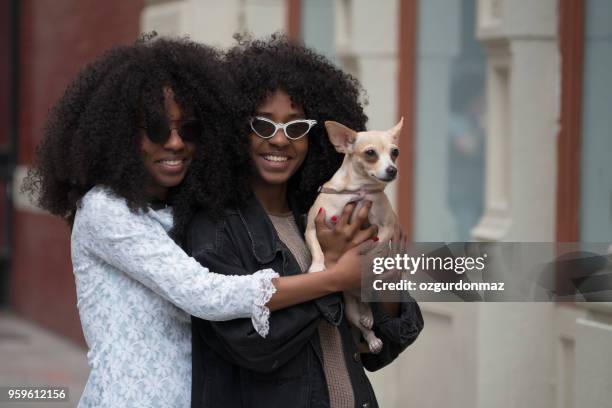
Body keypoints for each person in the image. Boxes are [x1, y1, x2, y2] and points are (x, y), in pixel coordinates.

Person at [23, 36, 370, 407]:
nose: (175, 143)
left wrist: (382, 224)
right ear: (121, 134)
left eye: (189, 130)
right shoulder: (106, 209)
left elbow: (386, 332)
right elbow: (204, 295)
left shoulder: (191, 208)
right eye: (156, 129)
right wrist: (332, 278)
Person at [175, 35, 424, 408]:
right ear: (232, 130)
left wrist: (382, 277)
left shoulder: (324, 215)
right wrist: (335, 273)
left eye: (295, 128)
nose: (279, 140)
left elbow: (381, 350)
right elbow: (253, 347)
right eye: (262, 125)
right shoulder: (213, 231)